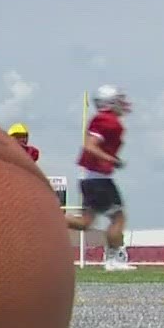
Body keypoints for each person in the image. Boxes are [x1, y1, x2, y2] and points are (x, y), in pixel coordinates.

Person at [64, 85, 134, 272]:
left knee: (85, 223)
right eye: (118, 100)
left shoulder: (107, 120)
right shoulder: (106, 121)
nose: (122, 103)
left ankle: (50, 217)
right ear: (110, 102)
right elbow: (90, 146)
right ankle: (113, 259)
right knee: (118, 218)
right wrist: (112, 159)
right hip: (98, 179)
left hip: (90, 177)